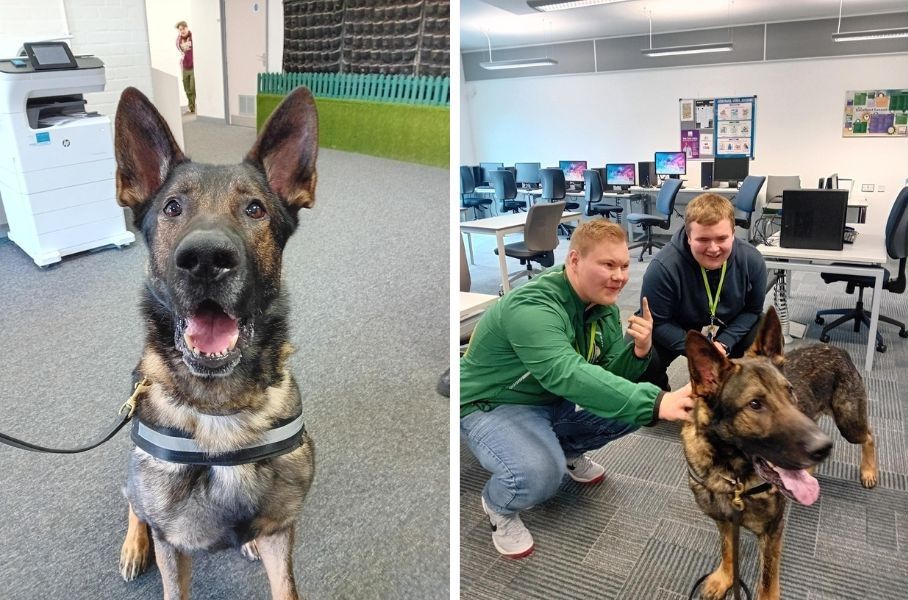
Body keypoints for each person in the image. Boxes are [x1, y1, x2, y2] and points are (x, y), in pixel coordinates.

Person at [460, 219, 694, 558]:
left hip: (551, 399)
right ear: (574, 261)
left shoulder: (603, 309)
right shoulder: (532, 307)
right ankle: (499, 505)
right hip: (495, 403)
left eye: (625, 265)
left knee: (632, 407)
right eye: (608, 265)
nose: (620, 276)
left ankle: (565, 450)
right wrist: (657, 402)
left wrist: (638, 352)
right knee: (539, 474)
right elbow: (565, 373)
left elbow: (609, 372)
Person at [638, 193, 767, 390]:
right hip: (677, 326)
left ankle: (738, 394)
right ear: (689, 237)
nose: (713, 248)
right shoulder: (663, 268)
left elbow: (752, 311)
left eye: (722, 238)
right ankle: (661, 397)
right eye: (703, 239)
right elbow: (659, 322)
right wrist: (701, 350)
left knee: (764, 333)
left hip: (728, 323)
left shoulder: (752, 261)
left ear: (733, 233)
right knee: (638, 354)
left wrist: (724, 342)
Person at [175, 20, 195, 113]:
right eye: (180, 29)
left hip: (193, 67)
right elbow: (180, 51)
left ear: (187, 28)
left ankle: (193, 106)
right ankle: (191, 107)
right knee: (187, 88)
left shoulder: (192, 37)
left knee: (192, 87)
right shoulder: (178, 40)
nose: (182, 31)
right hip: (185, 67)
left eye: (184, 28)